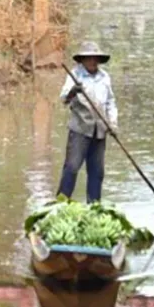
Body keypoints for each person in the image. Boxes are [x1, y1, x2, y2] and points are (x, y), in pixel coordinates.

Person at [57, 41, 118, 203]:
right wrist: (73, 91)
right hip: (80, 130)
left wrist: (112, 123)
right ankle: (60, 205)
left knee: (97, 172)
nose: (92, 61)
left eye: (95, 58)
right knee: (71, 168)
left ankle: (94, 206)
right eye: (88, 58)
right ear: (82, 60)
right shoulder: (75, 75)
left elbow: (110, 102)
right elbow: (64, 99)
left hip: (100, 130)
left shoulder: (104, 77)